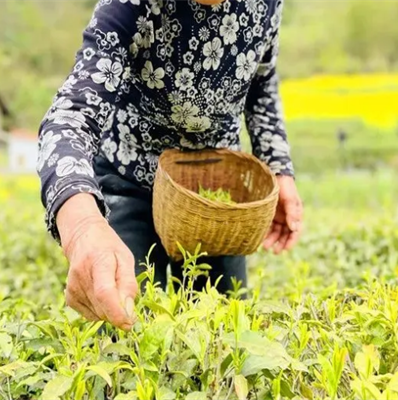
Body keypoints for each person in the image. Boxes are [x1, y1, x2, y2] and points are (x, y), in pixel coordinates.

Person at [36, 0, 303, 331]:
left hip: (215, 195)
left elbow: (261, 83)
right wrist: (81, 228)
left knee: (227, 334)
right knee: (127, 331)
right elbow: (70, 117)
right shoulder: (130, 5)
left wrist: (279, 167)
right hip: (130, 178)